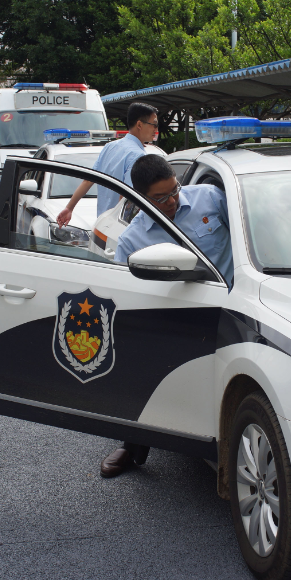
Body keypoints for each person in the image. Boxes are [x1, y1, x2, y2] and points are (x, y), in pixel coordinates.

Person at [100, 155, 233, 479]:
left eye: (174, 190)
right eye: (161, 198)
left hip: (229, 308)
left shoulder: (211, 198)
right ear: (141, 197)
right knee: (138, 364)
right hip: (174, 318)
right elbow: (127, 297)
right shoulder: (132, 239)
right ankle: (134, 442)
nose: (173, 201)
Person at [55, 102, 158, 227]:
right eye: (154, 125)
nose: (156, 130)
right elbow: (126, 199)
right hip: (119, 229)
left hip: (101, 226)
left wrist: (69, 208)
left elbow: (88, 181)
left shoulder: (110, 147)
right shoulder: (138, 156)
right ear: (139, 124)